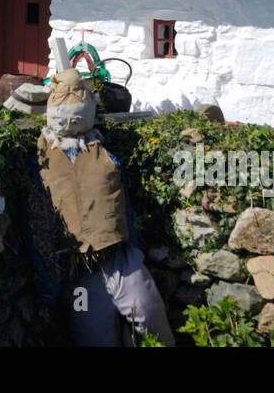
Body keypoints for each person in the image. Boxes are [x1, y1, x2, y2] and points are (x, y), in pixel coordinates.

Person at [24, 69, 176, 346]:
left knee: (148, 312)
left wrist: (135, 250)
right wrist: (48, 287)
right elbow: (40, 227)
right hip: (79, 271)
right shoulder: (41, 165)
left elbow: (122, 204)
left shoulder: (103, 154)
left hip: (120, 258)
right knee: (93, 335)